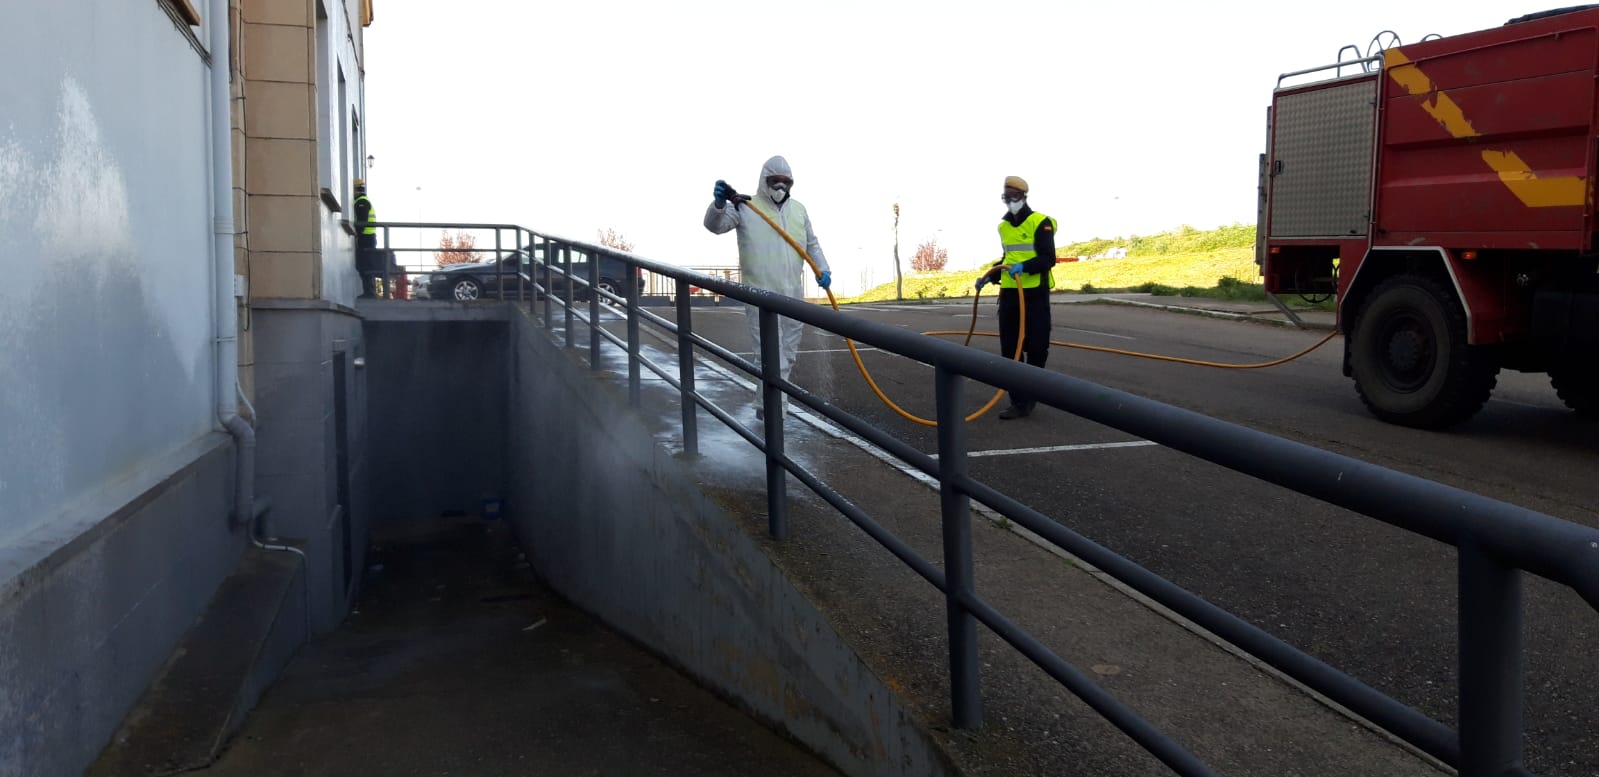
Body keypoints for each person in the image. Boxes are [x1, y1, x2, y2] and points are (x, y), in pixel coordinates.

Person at [704, 156, 832, 419]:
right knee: (771, 358)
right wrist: (718, 206)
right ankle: (775, 414)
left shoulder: (799, 210)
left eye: (785, 182)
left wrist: (823, 268)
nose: (780, 187)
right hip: (761, 298)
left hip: (792, 296)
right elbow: (715, 226)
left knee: (787, 356)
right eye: (775, 181)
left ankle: (766, 408)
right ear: (764, 181)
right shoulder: (745, 207)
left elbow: (812, 244)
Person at [975, 175, 1057, 419]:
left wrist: (1025, 267)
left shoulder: (1041, 222)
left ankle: (1032, 394)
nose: (1010, 202)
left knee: (1037, 348)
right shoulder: (1003, 226)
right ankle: (1018, 402)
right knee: (1010, 350)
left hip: (1034, 296)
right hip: (1010, 295)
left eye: (1014, 197)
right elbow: (1008, 259)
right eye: (1006, 197)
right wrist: (992, 275)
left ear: (1024, 197)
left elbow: (1047, 258)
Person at [352, 179, 382, 298]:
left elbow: (362, 222)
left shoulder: (361, 202)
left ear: (356, 189)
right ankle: (369, 292)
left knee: (365, 265)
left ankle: (369, 293)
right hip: (369, 238)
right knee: (366, 265)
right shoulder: (364, 201)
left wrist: (357, 234)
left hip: (366, 238)